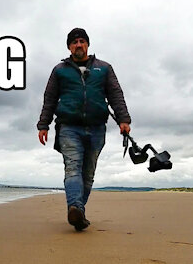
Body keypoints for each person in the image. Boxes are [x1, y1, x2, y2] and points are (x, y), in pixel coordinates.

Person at [37, 28, 131, 231]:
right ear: (69, 46)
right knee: (72, 168)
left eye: (82, 41)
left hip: (97, 128)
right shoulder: (59, 70)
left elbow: (116, 94)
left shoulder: (104, 68)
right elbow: (50, 99)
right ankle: (75, 208)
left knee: (88, 175)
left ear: (87, 44)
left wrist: (124, 119)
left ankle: (78, 212)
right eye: (74, 42)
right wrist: (43, 124)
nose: (78, 45)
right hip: (69, 127)